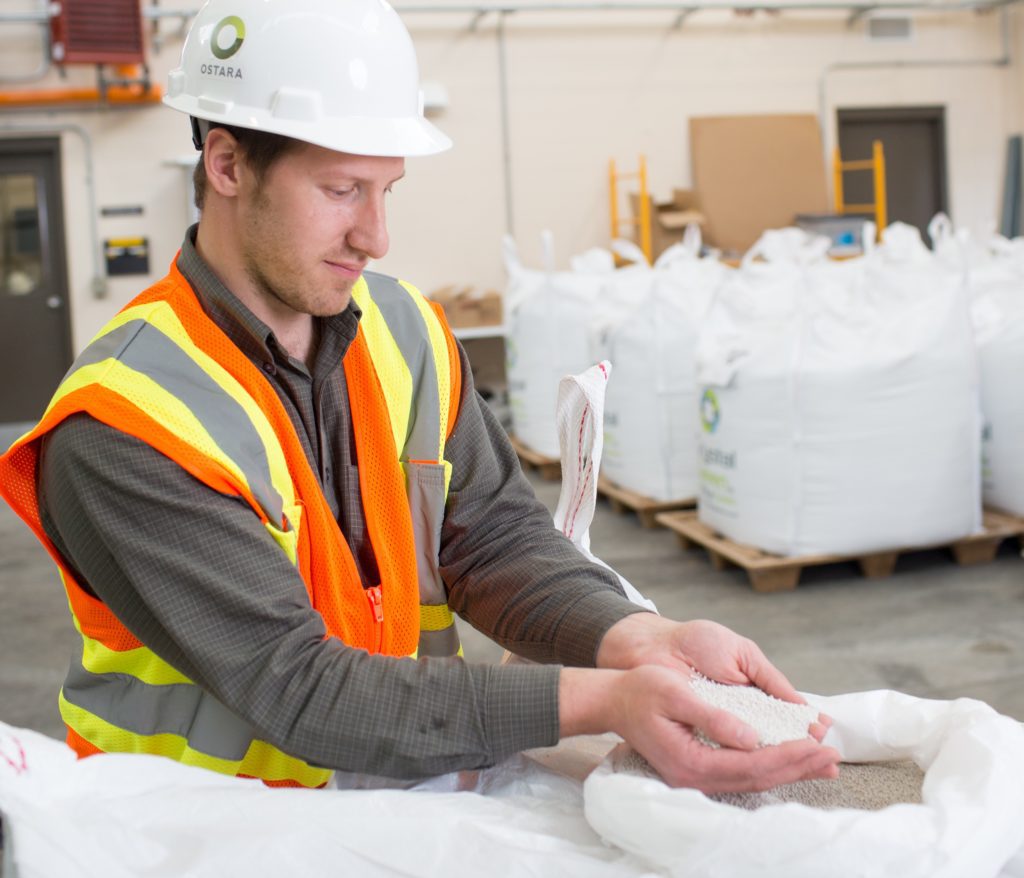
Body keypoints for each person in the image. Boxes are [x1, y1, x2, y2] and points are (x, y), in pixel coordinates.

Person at [0, 0, 839, 792]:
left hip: (392, 812)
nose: (377, 235)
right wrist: (601, 700)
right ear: (225, 165)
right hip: (193, 840)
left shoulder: (403, 330)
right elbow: (297, 687)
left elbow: (494, 542)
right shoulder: (126, 423)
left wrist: (640, 639)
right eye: (341, 191)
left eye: (386, 189)